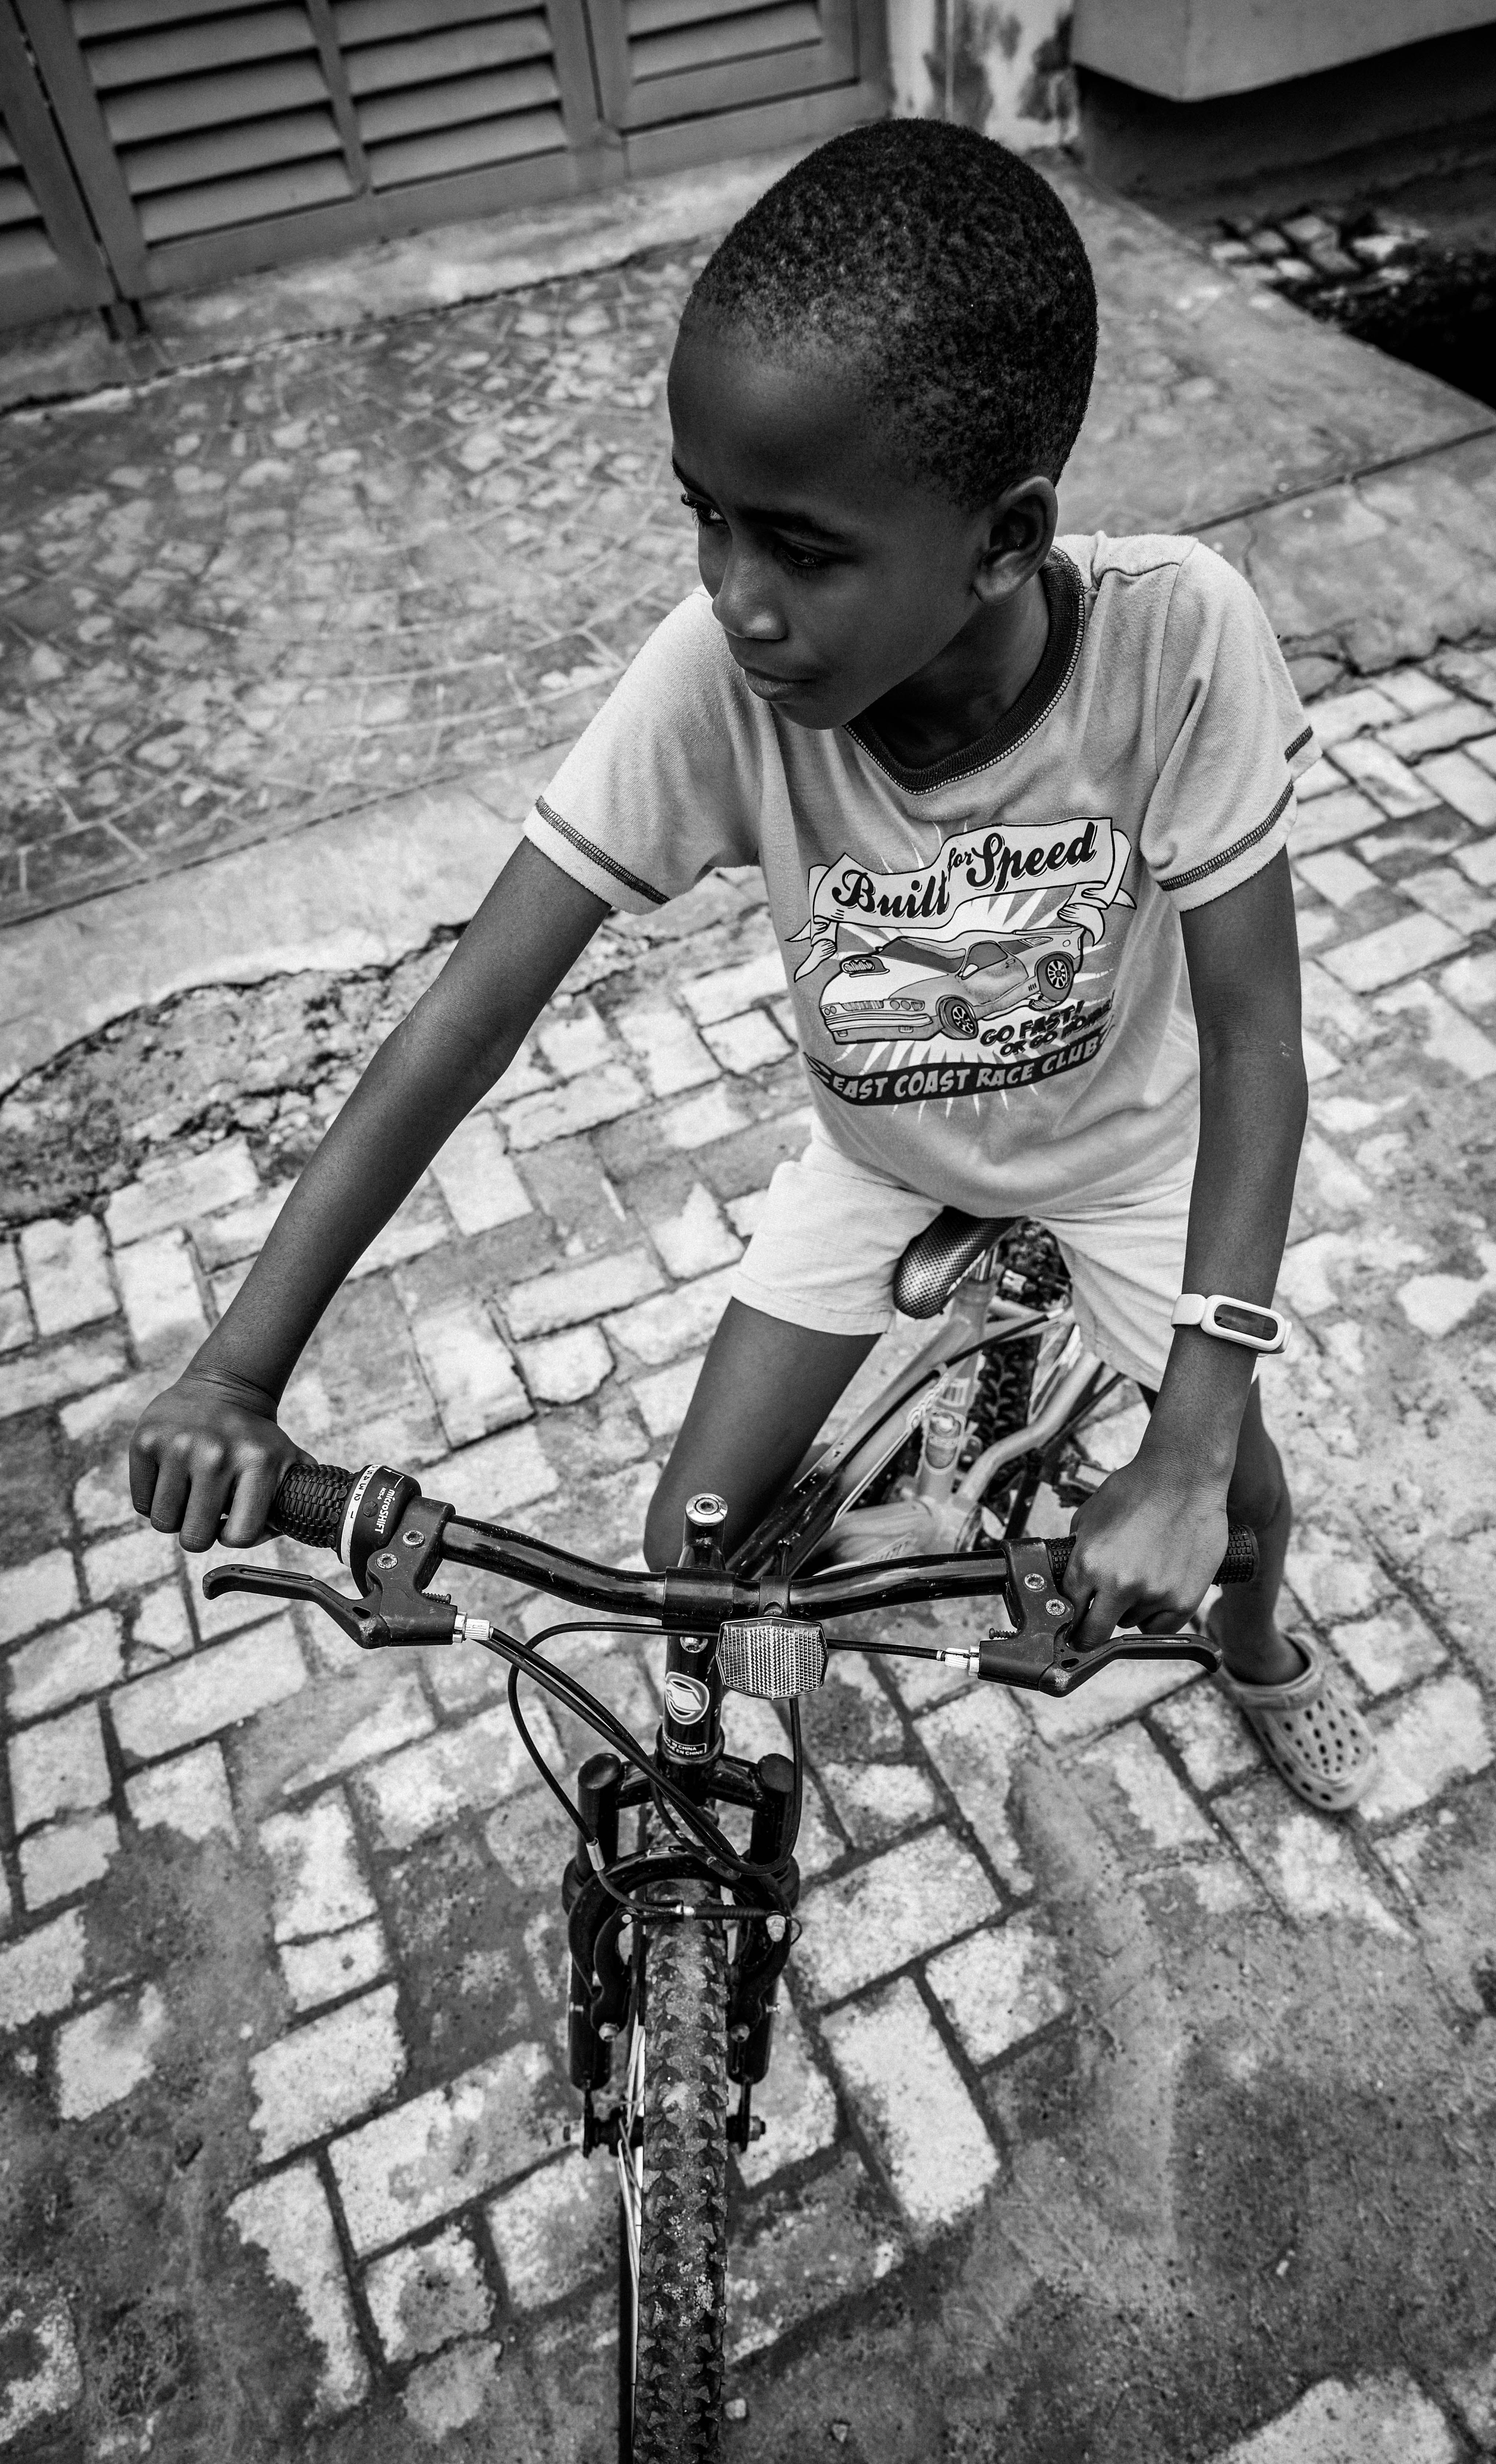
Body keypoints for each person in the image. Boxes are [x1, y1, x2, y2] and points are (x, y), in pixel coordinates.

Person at [129, 119, 1374, 1812]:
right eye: (705, 523)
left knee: (1233, 1501)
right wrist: (236, 1371)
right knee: (684, 1551)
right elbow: (470, 1015)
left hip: (1128, 1157)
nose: (735, 599)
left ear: (1006, 540)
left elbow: (1255, 1040)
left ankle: (1255, 1651)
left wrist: (1198, 1432)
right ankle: (875, 1593)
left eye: (799, 546)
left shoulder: (1178, 640)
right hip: (881, 1153)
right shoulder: (712, 683)